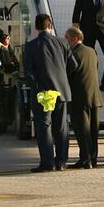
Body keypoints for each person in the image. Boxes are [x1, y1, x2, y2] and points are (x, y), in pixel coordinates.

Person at [23, 14, 77, 172]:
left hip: (44, 94)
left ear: (36, 27)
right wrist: (62, 79)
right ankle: (61, 161)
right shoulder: (62, 42)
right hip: (61, 92)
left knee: (44, 127)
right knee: (61, 128)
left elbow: (29, 72)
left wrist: (38, 87)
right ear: (50, 26)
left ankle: (47, 162)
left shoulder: (31, 46)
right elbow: (73, 65)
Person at [65, 27, 102, 169]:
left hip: (80, 97)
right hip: (95, 96)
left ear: (74, 38)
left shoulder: (73, 53)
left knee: (82, 130)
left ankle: (85, 159)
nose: (66, 41)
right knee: (93, 130)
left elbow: (69, 73)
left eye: (67, 38)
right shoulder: (91, 51)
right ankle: (93, 158)